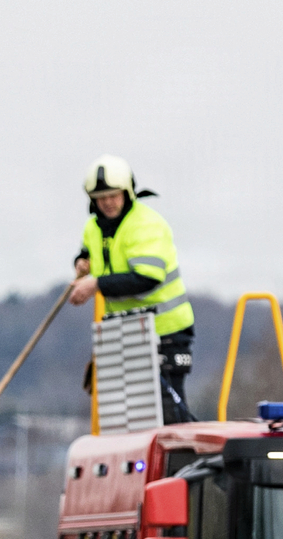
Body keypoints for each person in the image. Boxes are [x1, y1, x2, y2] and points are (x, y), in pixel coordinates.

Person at [68, 156, 195, 424]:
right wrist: (81, 262)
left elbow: (147, 277)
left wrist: (95, 284)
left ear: (127, 193)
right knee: (129, 417)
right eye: (100, 197)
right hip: (125, 333)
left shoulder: (146, 224)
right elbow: (89, 251)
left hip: (165, 332)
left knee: (167, 415)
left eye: (113, 195)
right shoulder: (93, 227)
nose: (107, 202)